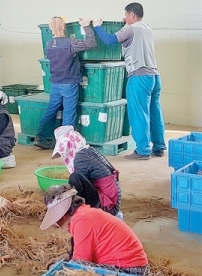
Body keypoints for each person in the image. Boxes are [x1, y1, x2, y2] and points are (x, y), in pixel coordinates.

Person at [92, 3, 166, 160]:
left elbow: (109, 40)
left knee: (139, 114)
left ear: (132, 15)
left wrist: (97, 26)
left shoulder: (130, 29)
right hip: (154, 77)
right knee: (154, 112)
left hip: (139, 78)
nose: (125, 17)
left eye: (126, 15)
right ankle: (159, 147)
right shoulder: (146, 28)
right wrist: (126, 24)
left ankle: (143, 151)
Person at [41, 185, 149, 275]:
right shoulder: (83, 214)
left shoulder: (82, 221)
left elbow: (80, 263)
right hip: (134, 265)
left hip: (130, 270)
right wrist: (62, 258)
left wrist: (60, 270)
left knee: (66, 275)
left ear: (62, 215)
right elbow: (82, 249)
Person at [34, 17, 97, 149]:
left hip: (55, 83)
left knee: (50, 110)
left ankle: (41, 137)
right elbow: (91, 43)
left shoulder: (49, 44)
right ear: (64, 27)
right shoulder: (70, 43)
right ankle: (65, 142)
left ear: (51, 28)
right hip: (69, 83)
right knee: (69, 112)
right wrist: (86, 26)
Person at [51, 126, 122, 218]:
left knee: (75, 178)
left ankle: (78, 215)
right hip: (112, 202)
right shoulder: (88, 151)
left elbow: (78, 189)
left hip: (108, 207)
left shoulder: (81, 158)